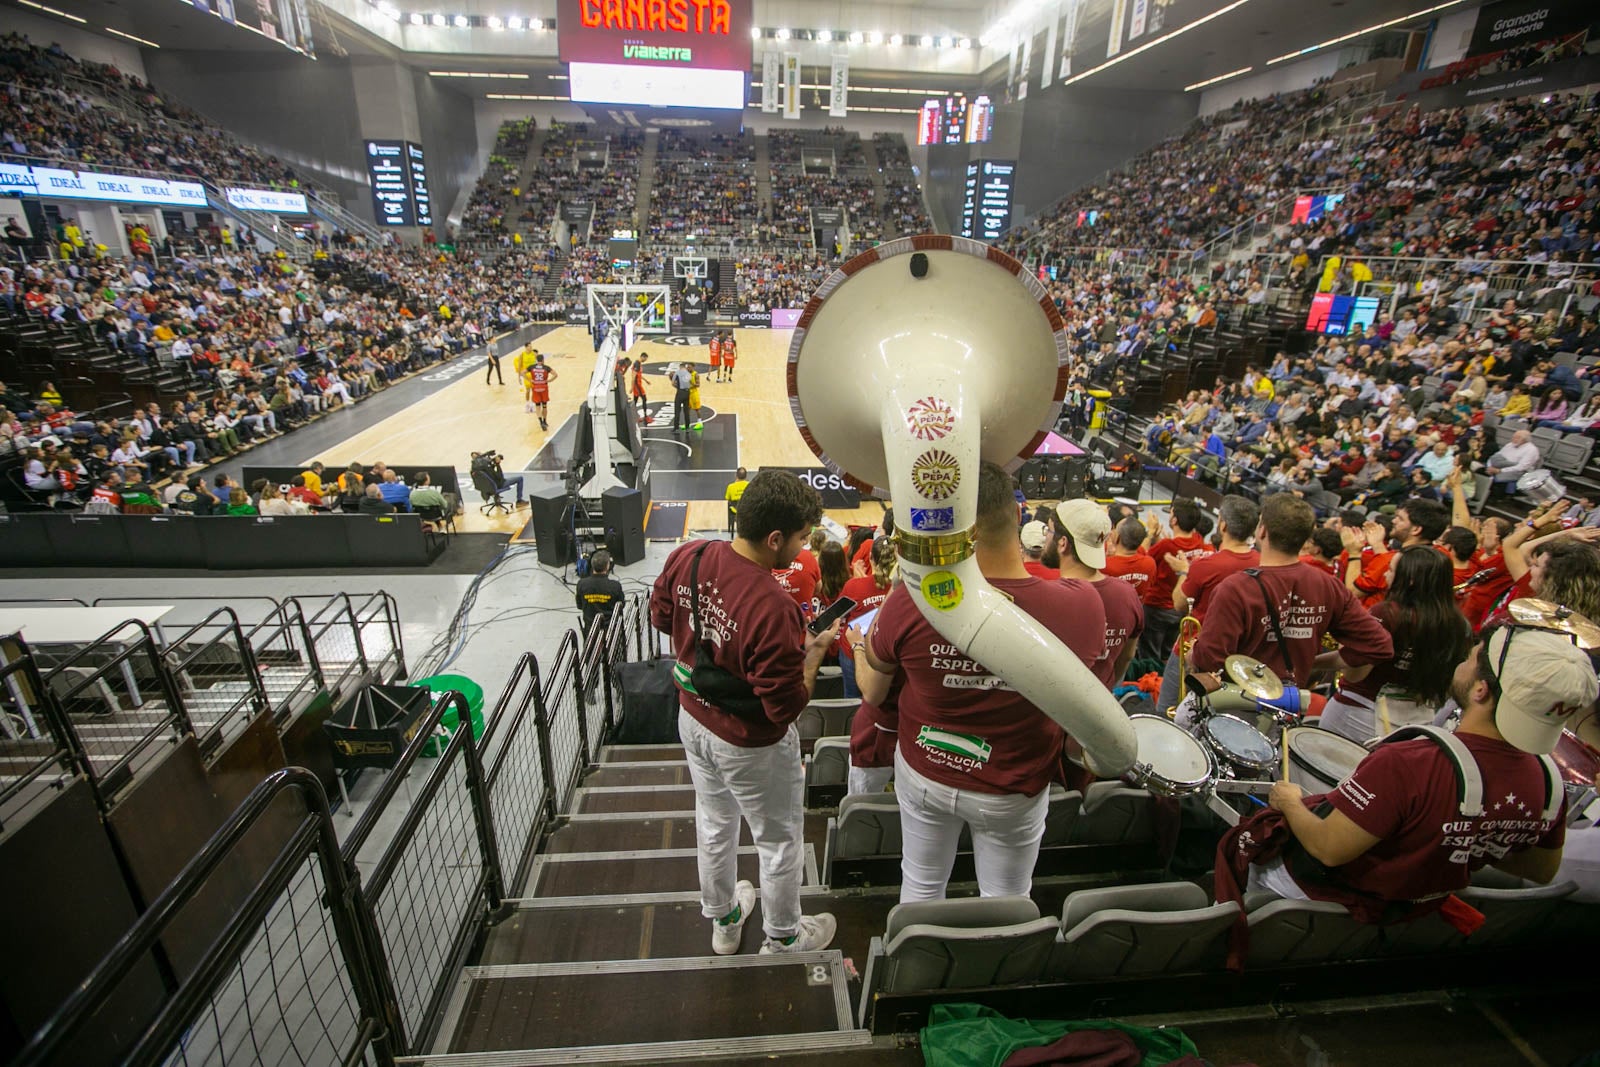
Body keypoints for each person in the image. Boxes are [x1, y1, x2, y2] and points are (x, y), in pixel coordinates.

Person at [856, 462, 1106, 902]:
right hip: (1014, 784)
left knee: (920, 884)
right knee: (1008, 896)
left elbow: (874, 689)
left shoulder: (910, 601)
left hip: (926, 769)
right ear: (1019, 519)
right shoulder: (1083, 607)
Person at [1229, 626, 1594, 921]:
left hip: (1321, 902)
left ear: (1482, 690)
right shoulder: (1548, 784)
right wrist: (1465, 839)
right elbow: (1540, 869)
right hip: (1421, 908)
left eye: (1470, 659)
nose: (1462, 662)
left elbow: (1328, 849)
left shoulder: (1409, 761)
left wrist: (1290, 802)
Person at [649, 470, 839, 955]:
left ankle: (725, 921)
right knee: (777, 840)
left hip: (693, 719)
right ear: (775, 538)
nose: (802, 549)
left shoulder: (687, 555)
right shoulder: (774, 606)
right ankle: (784, 935)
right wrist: (813, 652)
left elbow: (662, 616)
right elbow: (783, 708)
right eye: (799, 539)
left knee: (714, 823)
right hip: (749, 744)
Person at [1185, 495, 1392, 711]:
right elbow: (1379, 646)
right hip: (1286, 707)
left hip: (1233, 706)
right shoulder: (1329, 585)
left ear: (1262, 531)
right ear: (1304, 538)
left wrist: (1194, 654)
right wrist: (1314, 661)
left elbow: (1209, 660)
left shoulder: (1236, 588)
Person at [1318, 545, 1472, 742]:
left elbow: (1354, 673)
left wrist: (1324, 655)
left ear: (1410, 580)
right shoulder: (1460, 625)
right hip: (1417, 723)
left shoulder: (1387, 614)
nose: (1385, 576)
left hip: (1361, 712)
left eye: (1390, 570)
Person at [1158, 496, 1260, 713]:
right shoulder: (1262, 563)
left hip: (1195, 651)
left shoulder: (1206, 565)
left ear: (1222, 525)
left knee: (1167, 710)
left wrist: (1184, 571)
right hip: (1239, 657)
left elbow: (1178, 604)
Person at [1051, 499, 1145, 689]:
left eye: (1049, 531)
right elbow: (1126, 656)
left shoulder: (1049, 597)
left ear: (1062, 543)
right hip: (1102, 698)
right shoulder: (1127, 594)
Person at [1139, 499, 1209, 664]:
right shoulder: (1200, 542)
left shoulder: (1167, 546)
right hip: (1182, 608)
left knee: (1149, 655)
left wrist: (1150, 534)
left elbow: (1143, 561)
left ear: (1174, 520)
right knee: (1168, 652)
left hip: (1157, 607)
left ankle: (1149, 683)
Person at [835, 537, 897, 699]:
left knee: (852, 699)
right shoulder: (903, 590)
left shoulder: (853, 586)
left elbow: (837, 615)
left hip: (855, 652)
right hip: (886, 655)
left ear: (871, 558)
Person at [575, 549, 625, 632]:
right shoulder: (615, 586)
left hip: (590, 629)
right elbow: (621, 605)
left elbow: (579, 606)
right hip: (610, 629)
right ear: (607, 566)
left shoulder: (581, 584)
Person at [1102, 518, 1156, 593]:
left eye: (1115, 530)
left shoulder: (1105, 565)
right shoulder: (1150, 564)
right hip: (1138, 604)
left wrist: (1106, 557)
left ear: (1118, 536)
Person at [526, 353, 557, 430]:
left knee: (537, 406)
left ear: (536, 360)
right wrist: (549, 380)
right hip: (544, 387)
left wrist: (529, 379)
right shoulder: (546, 368)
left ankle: (540, 422)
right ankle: (545, 420)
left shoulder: (532, 367)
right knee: (544, 405)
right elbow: (555, 374)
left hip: (535, 388)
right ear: (543, 360)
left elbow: (522, 372)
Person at [724, 466, 749, 534]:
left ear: (736, 475)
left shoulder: (730, 486)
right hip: (747, 509)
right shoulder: (749, 485)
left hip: (735, 510)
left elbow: (727, 498)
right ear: (746, 476)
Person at [670, 362, 692, 432]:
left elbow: (673, 383)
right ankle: (687, 427)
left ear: (679, 367)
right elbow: (690, 383)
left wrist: (677, 387)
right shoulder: (688, 373)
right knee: (686, 411)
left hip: (680, 393)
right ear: (685, 367)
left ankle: (676, 428)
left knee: (677, 411)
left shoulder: (677, 373)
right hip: (687, 393)